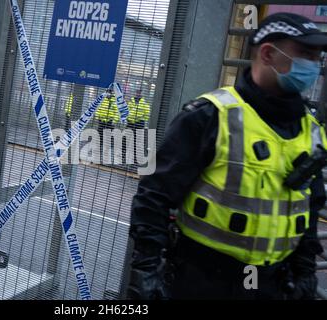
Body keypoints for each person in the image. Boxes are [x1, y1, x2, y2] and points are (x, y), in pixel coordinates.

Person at [128, 13, 327, 300]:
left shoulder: (312, 130)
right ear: (269, 54)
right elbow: (154, 196)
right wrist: (146, 272)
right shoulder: (210, 116)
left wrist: (305, 272)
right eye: (306, 54)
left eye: (317, 57)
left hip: (271, 284)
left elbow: (308, 208)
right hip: (203, 281)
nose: (314, 66)